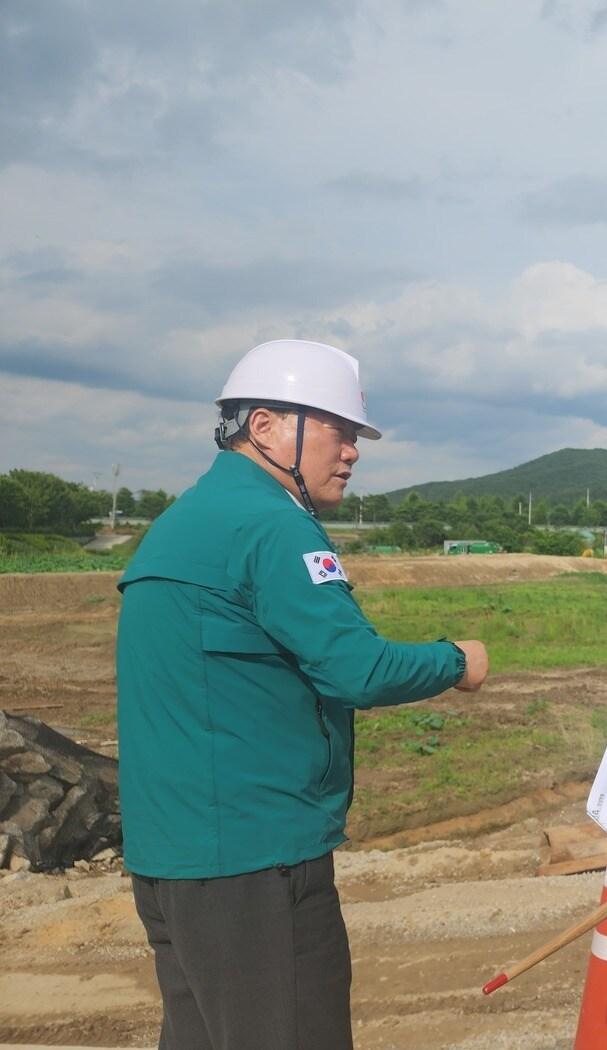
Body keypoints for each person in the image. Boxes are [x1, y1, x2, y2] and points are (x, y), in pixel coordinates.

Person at [116, 339, 488, 1050]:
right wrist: (455, 661)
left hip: (175, 859)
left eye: (354, 436)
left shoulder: (186, 521)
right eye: (337, 430)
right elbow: (358, 668)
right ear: (264, 426)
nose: (351, 452)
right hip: (255, 862)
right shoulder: (270, 523)